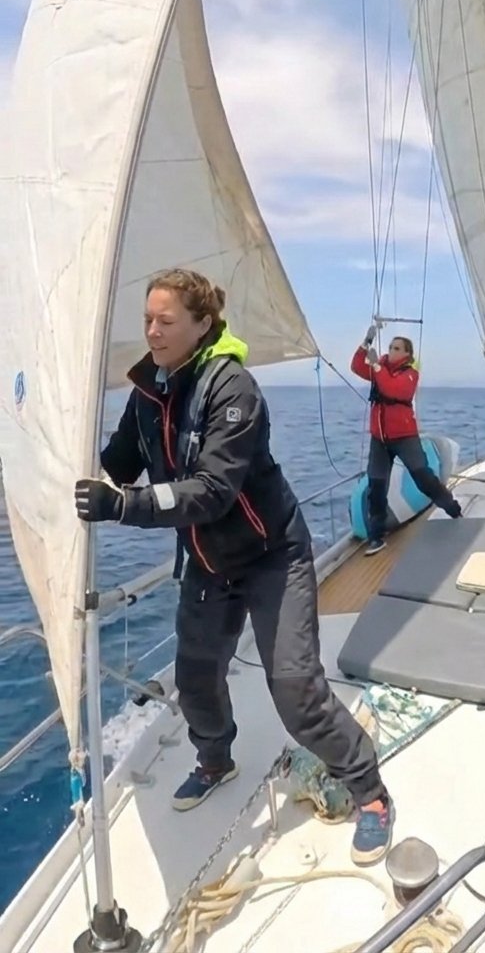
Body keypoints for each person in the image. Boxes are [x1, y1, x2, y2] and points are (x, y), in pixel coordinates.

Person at [73, 269, 393, 866]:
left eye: (166, 321)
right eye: (148, 319)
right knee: (195, 677)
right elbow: (118, 461)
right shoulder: (147, 395)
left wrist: (126, 507)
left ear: (201, 324)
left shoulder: (234, 390)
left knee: (295, 687)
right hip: (207, 562)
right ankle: (214, 759)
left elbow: (213, 491)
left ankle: (370, 792)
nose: (153, 330)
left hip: (273, 555)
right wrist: (85, 483)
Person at [351, 328, 461, 555]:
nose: (391, 351)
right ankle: (375, 537)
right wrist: (366, 343)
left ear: (407, 354)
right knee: (377, 484)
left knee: (423, 477)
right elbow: (356, 366)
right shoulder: (379, 368)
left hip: (404, 437)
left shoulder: (410, 374)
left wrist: (377, 367)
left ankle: (452, 508)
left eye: (397, 348)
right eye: (390, 347)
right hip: (379, 438)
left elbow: (395, 390)